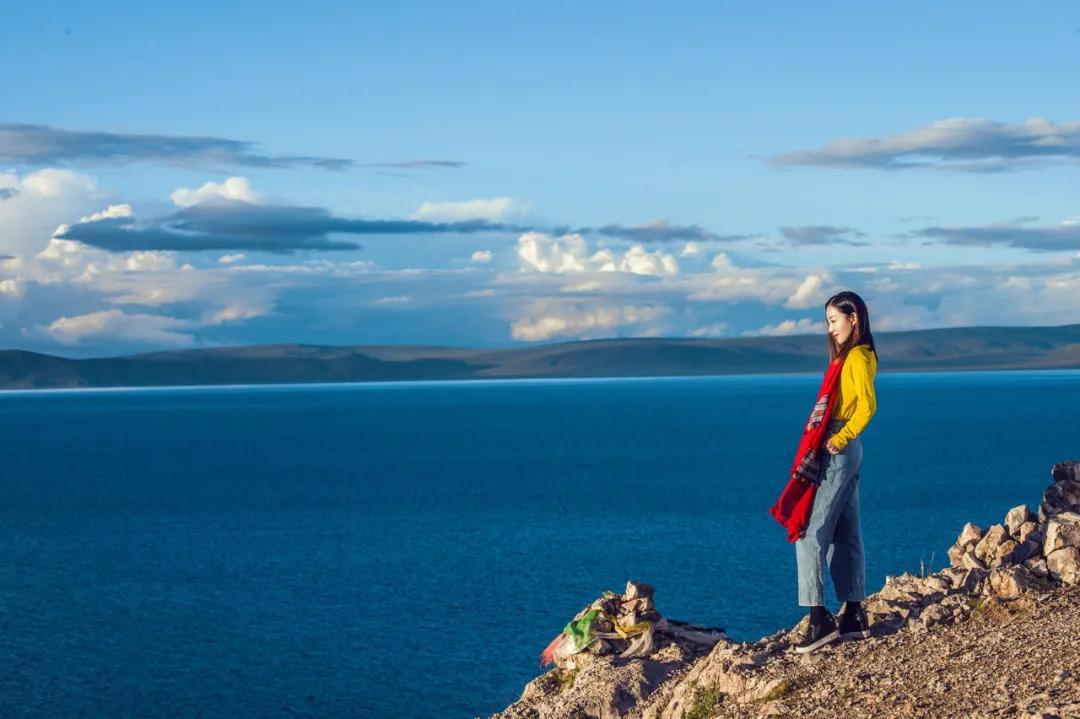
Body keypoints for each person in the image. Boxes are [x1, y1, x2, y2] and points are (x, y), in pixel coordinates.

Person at [793, 290, 878, 654]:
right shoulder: (860, 354)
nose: (829, 329)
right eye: (827, 322)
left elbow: (868, 405)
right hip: (847, 450)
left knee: (809, 534)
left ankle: (819, 619)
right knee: (846, 531)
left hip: (839, 447)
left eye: (833, 320)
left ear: (853, 317)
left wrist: (839, 437)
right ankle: (854, 614)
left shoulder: (856, 356)